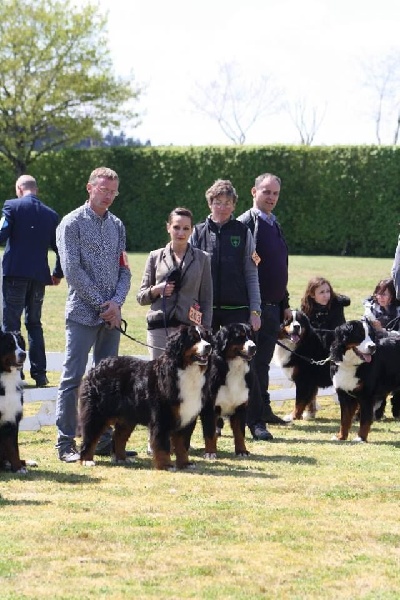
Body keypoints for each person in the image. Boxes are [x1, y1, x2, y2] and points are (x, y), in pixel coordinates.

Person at [55, 167, 131, 462]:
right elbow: (72, 271)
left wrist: (116, 303)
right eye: (103, 190)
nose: (108, 196)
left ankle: (102, 440)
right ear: (90, 188)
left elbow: (124, 269)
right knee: (73, 378)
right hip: (82, 315)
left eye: (113, 191)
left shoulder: (117, 225)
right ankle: (65, 443)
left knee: (109, 381)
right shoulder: (71, 223)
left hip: (110, 316)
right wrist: (104, 304)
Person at [190, 179, 273, 441]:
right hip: (208, 312)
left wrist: (255, 311)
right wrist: (194, 311)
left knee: (248, 369)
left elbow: (251, 273)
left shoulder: (242, 232)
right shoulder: (198, 232)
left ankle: (256, 422)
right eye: (217, 202)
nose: (222, 207)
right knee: (209, 368)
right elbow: (191, 273)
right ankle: (212, 420)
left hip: (238, 311)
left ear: (234, 205)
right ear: (210, 203)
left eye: (227, 202)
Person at [237, 172, 291, 427]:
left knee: (264, 364)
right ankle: (251, 415)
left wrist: (285, 303)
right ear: (253, 191)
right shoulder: (246, 223)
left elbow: (279, 268)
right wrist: (252, 309)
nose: (271, 197)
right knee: (252, 363)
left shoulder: (273, 223)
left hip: (274, 307)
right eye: (266, 192)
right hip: (254, 309)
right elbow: (242, 270)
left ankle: (264, 409)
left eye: (276, 193)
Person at [0, 174, 63, 386]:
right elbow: (59, 248)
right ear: (36, 190)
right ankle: (40, 373)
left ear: (19, 188)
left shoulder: (11, 206)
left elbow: (2, 233)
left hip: (15, 274)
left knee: (11, 325)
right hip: (38, 277)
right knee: (34, 324)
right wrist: (57, 273)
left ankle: (16, 373)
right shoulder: (51, 214)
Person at [137, 207, 213, 358]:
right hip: (159, 327)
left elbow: (206, 298)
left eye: (186, 228)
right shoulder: (154, 256)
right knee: (159, 377)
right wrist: (156, 290)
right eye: (176, 227)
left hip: (189, 331)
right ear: (168, 228)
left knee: (184, 377)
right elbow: (141, 297)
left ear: (192, 230)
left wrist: (205, 330)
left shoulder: (202, 258)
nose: (181, 233)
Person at [300, 276, 351, 419]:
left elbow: (338, 329)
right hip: (316, 347)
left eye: (328, 291)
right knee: (309, 372)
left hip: (336, 345)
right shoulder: (306, 308)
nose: (326, 295)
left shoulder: (336, 304)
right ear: (312, 294)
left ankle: (350, 408)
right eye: (321, 292)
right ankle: (311, 407)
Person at [363, 277, 400, 419]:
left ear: (393, 295)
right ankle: (377, 411)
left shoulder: (397, 311)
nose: (380, 297)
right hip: (377, 352)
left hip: (396, 352)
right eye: (378, 293)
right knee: (377, 380)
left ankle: (397, 411)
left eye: (384, 294)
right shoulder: (370, 309)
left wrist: (383, 331)